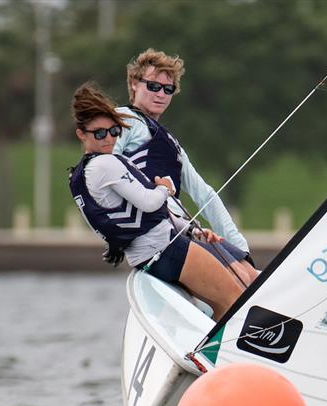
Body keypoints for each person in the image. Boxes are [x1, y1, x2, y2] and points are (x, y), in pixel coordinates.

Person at [69, 82, 243, 321]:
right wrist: (164, 188)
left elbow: (146, 216)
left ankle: (210, 351)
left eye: (113, 131)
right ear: (81, 134)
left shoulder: (83, 172)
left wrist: (192, 231)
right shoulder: (105, 165)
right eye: (99, 133)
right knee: (236, 296)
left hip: (152, 254)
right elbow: (150, 203)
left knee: (224, 299)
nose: (108, 139)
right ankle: (213, 355)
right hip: (165, 250)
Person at [113, 48, 258, 286]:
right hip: (158, 234)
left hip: (185, 229)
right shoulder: (122, 120)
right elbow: (106, 169)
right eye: (153, 86)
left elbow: (205, 194)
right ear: (134, 84)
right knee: (239, 279)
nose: (161, 94)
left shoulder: (173, 145)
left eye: (168, 89)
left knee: (250, 275)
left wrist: (241, 248)